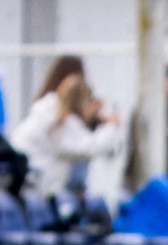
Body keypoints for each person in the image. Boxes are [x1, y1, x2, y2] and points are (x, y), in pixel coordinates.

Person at [9, 61, 122, 198]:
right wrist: (111, 126)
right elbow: (88, 147)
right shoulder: (59, 121)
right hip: (36, 183)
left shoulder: (50, 111)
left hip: (30, 179)